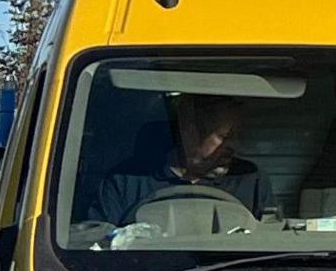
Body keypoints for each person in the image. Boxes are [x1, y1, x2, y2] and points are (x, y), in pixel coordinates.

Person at [84, 91, 269, 231]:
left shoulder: (251, 179)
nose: (234, 145)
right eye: (224, 136)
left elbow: (272, 238)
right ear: (188, 131)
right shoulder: (125, 181)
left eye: (238, 136)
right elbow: (97, 245)